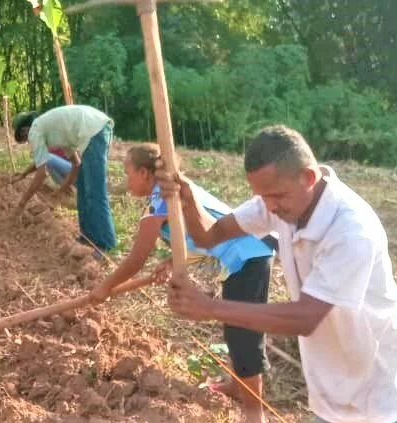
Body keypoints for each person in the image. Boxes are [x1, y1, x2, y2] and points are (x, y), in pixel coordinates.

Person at [160, 125, 397, 423]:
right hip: (331, 401)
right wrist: (188, 201)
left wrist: (208, 308)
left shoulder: (351, 230)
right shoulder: (282, 203)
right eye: (262, 196)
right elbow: (210, 235)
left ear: (308, 177)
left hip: (382, 403)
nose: (269, 206)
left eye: (276, 196)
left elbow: (305, 318)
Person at [89, 143, 276, 423]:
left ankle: (255, 416)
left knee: (243, 336)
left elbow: (136, 260)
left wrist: (105, 287)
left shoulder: (162, 198)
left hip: (247, 255)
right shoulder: (167, 195)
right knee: (235, 328)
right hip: (240, 256)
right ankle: (236, 387)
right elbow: (195, 237)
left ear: (143, 173)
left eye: (128, 173)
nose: (127, 181)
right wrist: (173, 261)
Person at [11, 105, 117, 252]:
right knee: (83, 192)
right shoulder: (57, 134)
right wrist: (61, 190)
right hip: (93, 130)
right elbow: (76, 165)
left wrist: (22, 204)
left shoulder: (35, 130)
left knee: (95, 192)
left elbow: (42, 174)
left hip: (94, 131)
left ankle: (105, 244)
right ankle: (87, 238)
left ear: (24, 130)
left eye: (25, 139)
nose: (29, 143)